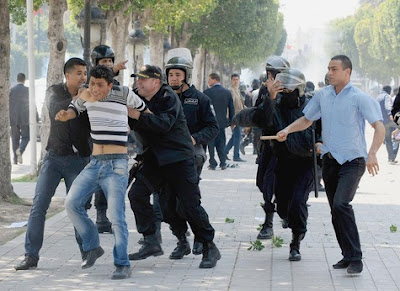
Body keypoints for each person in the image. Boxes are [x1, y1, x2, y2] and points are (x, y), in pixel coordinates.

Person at [276, 55, 385, 274]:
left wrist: (372, 153)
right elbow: (307, 119)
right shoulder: (322, 95)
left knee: (341, 205)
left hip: (353, 161)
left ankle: (356, 258)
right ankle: (347, 255)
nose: (330, 72)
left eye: (334, 69)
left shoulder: (359, 97)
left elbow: (379, 127)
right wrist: (288, 130)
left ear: (347, 72)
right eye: (328, 68)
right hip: (330, 161)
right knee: (335, 211)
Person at [57, 65, 148, 280]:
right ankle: (93, 246)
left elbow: (144, 110)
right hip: (94, 163)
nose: (95, 89)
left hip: (117, 164)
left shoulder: (124, 93)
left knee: (116, 217)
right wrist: (65, 115)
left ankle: (122, 263)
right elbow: (74, 110)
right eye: (92, 83)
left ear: (110, 85)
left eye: (100, 85)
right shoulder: (86, 94)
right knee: (71, 204)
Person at [127, 65, 221, 269]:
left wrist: (136, 115)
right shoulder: (137, 97)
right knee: (141, 196)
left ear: (156, 82)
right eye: (138, 79)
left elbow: (162, 124)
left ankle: (208, 245)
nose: (139, 83)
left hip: (179, 158)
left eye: (143, 79)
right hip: (155, 159)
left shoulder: (168, 96)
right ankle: (151, 240)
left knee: (189, 206)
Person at [14, 58, 91, 271]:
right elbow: (57, 111)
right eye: (79, 73)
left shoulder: (90, 95)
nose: (83, 77)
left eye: (85, 73)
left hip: (79, 160)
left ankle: (86, 252)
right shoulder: (54, 91)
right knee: (38, 207)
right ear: (67, 75)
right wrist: (80, 96)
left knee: (78, 208)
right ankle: (31, 256)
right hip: (54, 158)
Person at [235, 67, 317, 261]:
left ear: (300, 89)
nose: (285, 94)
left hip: (305, 163)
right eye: (282, 90)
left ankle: (296, 241)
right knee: (282, 206)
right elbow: (264, 118)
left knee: (298, 201)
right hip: (282, 162)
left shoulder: (312, 106)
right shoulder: (275, 105)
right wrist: (270, 98)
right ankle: (290, 220)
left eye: (290, 90)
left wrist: (319, 142)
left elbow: (321, 127)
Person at [161, 56, 219, 259]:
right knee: (165, 205)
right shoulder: (163, 98)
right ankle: (181, 240)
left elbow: (213, 127)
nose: (174, 78)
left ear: (186, 75)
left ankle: (201, 239)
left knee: (186, 201)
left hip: (191, 154)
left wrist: (195, 139)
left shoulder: (201, 99)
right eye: (170, 74)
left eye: (177, 74)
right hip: (165, 155)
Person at [89, 44, 129, 233]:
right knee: (98, 179)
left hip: (117, 142)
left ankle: (113, 219)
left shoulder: (120, 89)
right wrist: (111, 71)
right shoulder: (90, 87)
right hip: (96, 142)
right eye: (103, 62)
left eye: (110, 62)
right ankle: (100, 216)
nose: (107, 65)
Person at [204, 73, 235, 170]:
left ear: (214, 79)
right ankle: (223, 162)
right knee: (221, 142)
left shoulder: (207, 92)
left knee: (211, 143)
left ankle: (212, 162)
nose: (208, 82)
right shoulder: (227, 92)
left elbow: (203, 108)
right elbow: (231, 108)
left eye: (209, 80)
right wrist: (231, 122)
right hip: (222, 123)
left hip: (210, 122)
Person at [9, 73, 30, 164]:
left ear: (17, 79)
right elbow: (31, 103)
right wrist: (36, 116)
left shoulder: (11, 90)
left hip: (13, 118)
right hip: (24, 118)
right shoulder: (28, 90)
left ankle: (15, 159)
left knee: (15, 139)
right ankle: (20, 150)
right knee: (26, 137)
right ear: (24, 80)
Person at [225, 73, 246, 162]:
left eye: (237, 79)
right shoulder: (230, 91)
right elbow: (230, 106)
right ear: (231, 80)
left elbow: (241, 104)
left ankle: (225, 151)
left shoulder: (237, 90)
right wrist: (231, 120)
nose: (236, 81)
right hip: (235, 117)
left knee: (235, 136)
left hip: (239, 116)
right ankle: (236, 156)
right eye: (234, 80)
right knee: (237, 136)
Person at [377, 85, 398, 164]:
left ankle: (390, 158)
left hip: (382, 122)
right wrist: (390, 114)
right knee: (396, 137)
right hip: (390, 121)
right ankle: (393, 156)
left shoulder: (378, 97)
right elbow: (388, 106)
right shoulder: (387, 96)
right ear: (389, 90)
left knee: (388, 140)